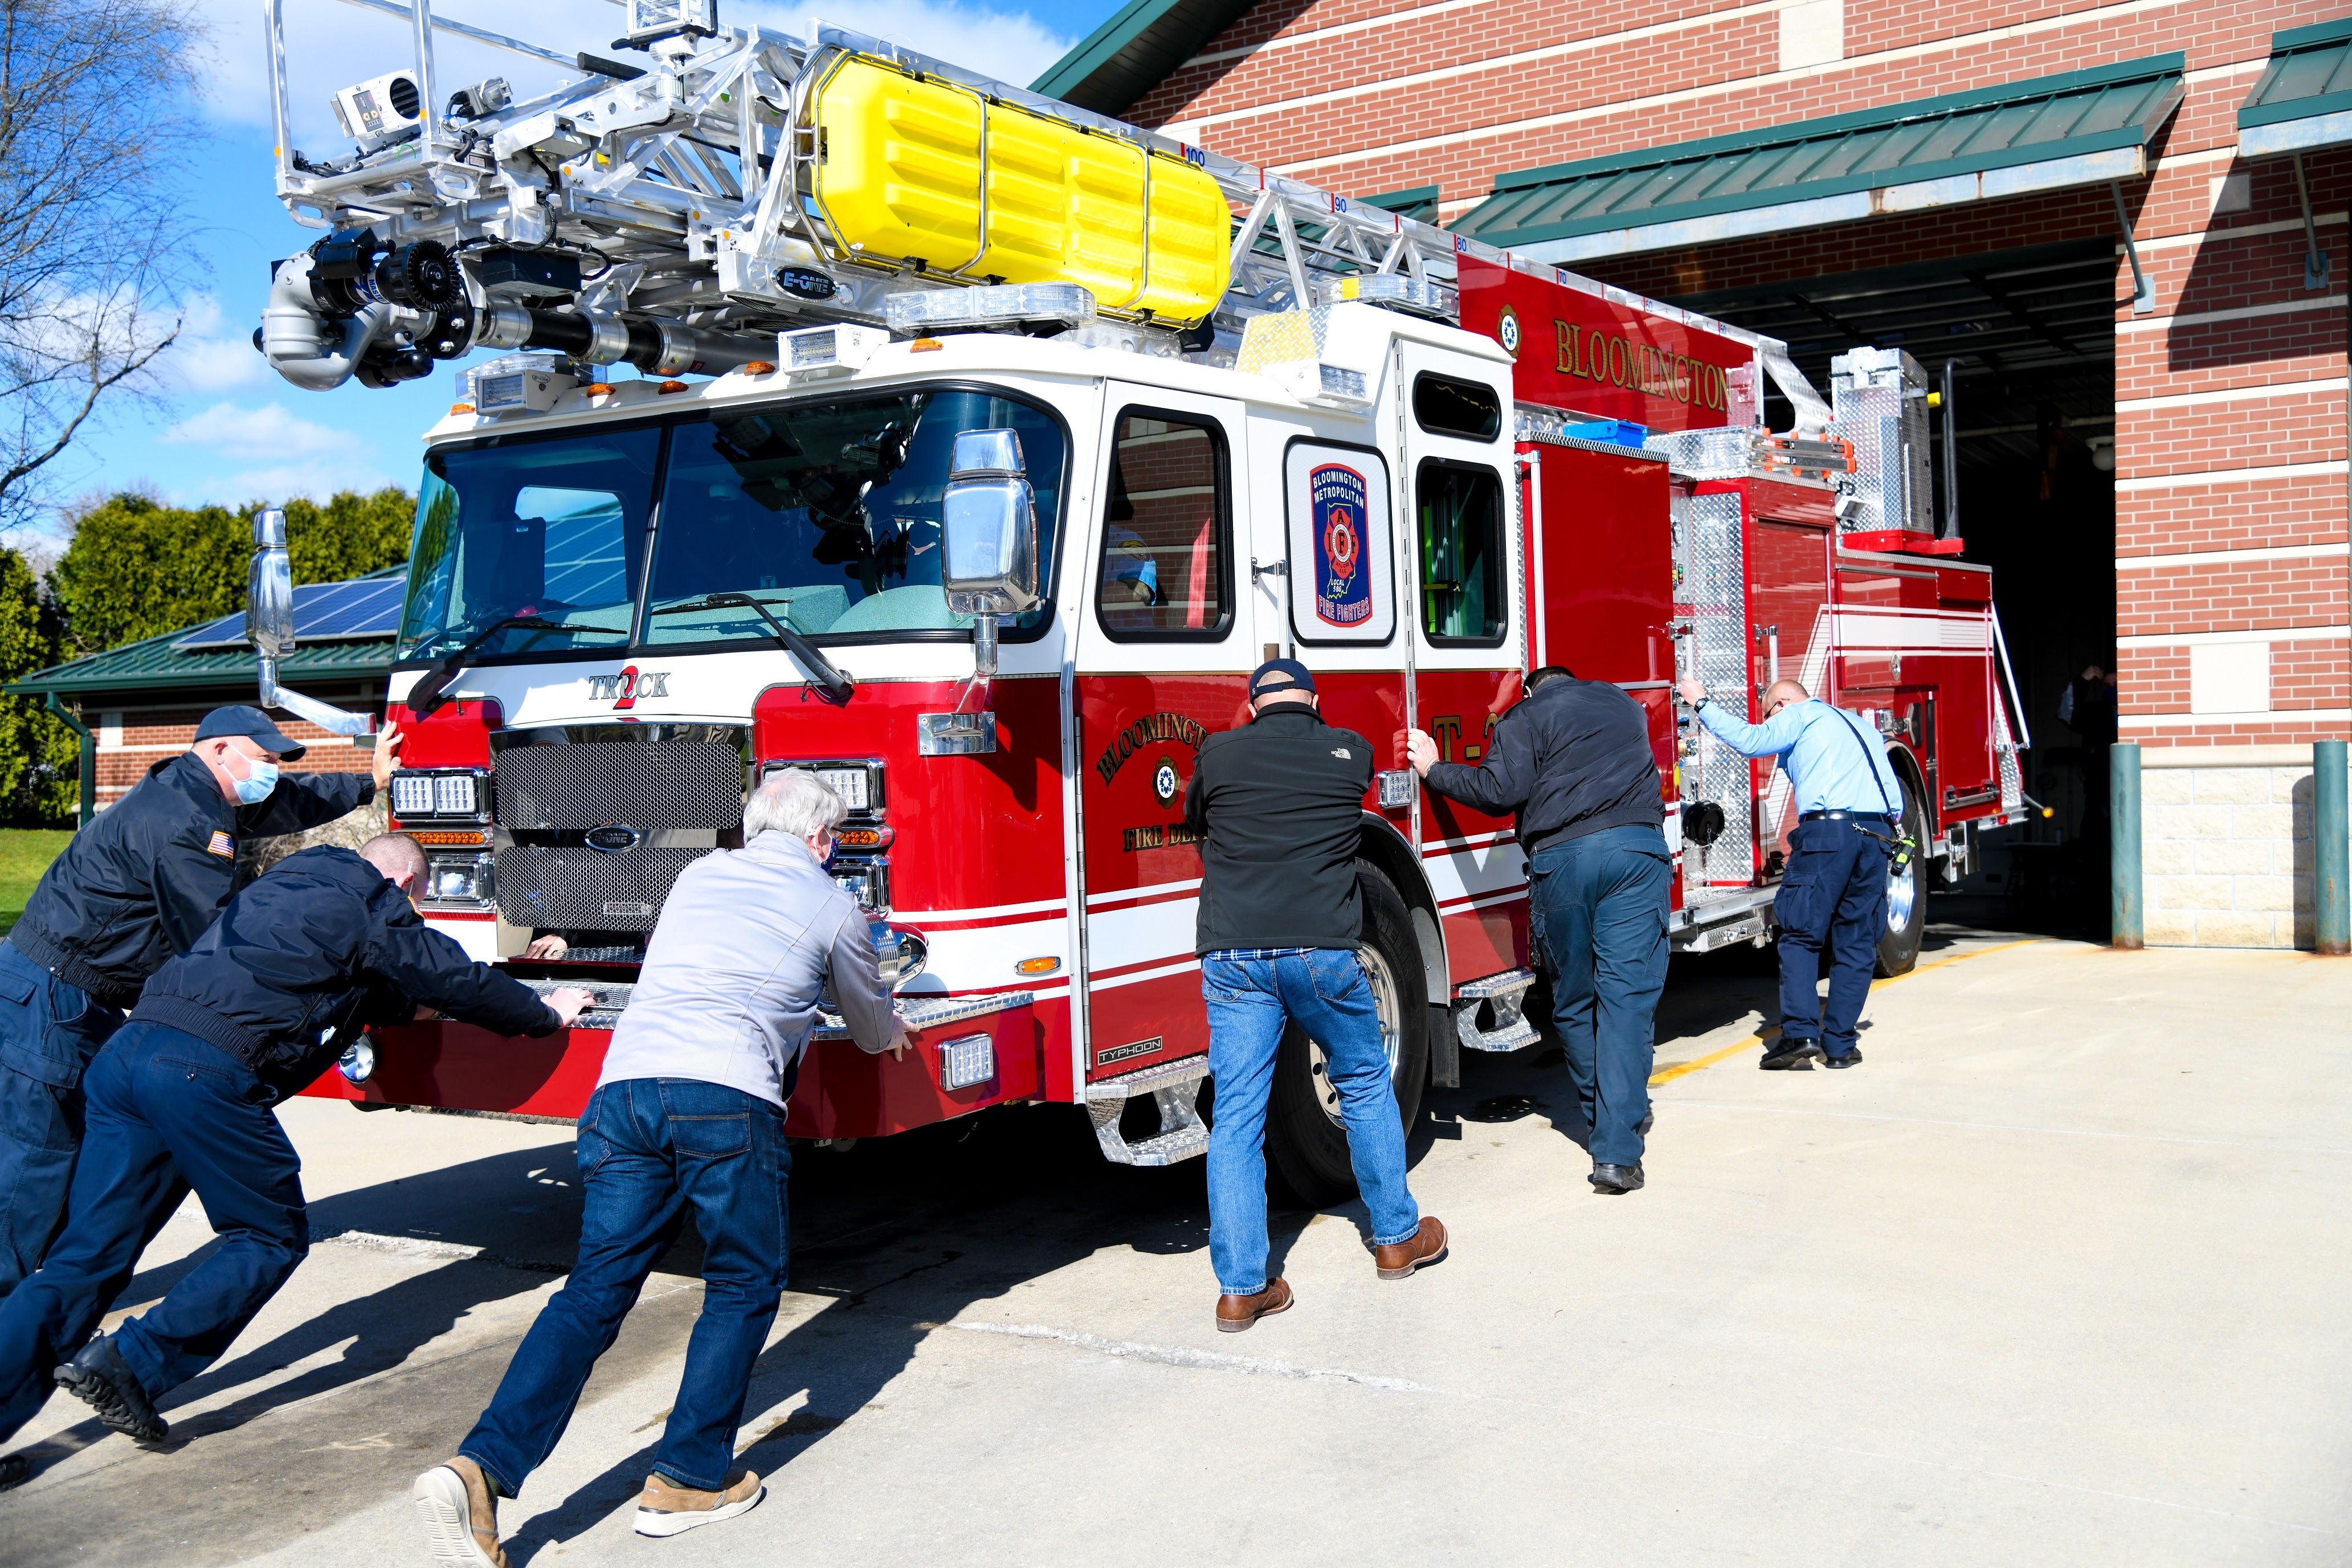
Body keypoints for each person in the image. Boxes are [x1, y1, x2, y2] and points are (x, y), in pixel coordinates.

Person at [414, 770, 906, 1564]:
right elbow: (868, 1020)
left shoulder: (697, 874)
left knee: (596, 1289)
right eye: (834, 840)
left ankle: (482, 1469)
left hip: (625, 1092)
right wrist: (892, 1033)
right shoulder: (832, 902)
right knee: (744, 1280)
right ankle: (686, 1478)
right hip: (724, 1098)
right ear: (822, 840)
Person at [0, 835, 590, 1489]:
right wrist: (543, 1011)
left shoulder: (283, 887)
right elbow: (445, 974)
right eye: (416, 901)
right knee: (267, 1234)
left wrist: (440, 995)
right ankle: (130, 1364)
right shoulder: (370, 899)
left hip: (129, 1056)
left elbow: (385, 990)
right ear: (404, 884)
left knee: (85, 1260)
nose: (412, 914)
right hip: (202, 1073)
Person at [0, 706, 398, 1300]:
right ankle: (12, 1310)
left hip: (72, 996)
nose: (270, 772)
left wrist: (370, 782)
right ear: (218, 751)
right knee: (39, 1157)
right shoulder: (189, 821)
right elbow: (215, 939)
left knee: (75, 1147)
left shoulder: (198, 791)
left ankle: (45, 1291)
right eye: (262, 759)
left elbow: (287, 801)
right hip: (55, 998)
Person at [1181, 659, 1445, 1336]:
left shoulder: (1218, 751)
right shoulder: (1348, 750)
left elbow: (1195, 820)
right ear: (1315, 701)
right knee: (1362, 1080)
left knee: (1237, 1115)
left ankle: (1241, 1289)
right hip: (1322, 952)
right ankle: (1395, 1239)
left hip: (1234, 955)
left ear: (1251, 707)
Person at [1406, 665, 1669, 1195]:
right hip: (1638, 855)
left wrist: (1434, 769)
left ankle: (1609, 1127)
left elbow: (1499, 790)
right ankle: (1618, 1146)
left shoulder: (1525, 716)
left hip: (1564, 861)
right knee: (1627, 999)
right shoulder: (1623, 703)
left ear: (1531, 690)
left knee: (1575, 1001)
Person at [1676, 675, 1905, 1070]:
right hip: (1878, 835)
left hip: (1829, 834)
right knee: (1857, 941)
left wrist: (1702, 704)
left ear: (1781, 705)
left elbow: (1752, 741)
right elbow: (1895, 799)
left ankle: (1800, 1035)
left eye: (1769, 715)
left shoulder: (1800, 715)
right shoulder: (1860, 726)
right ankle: (1840, 1046)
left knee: (1801, 935)